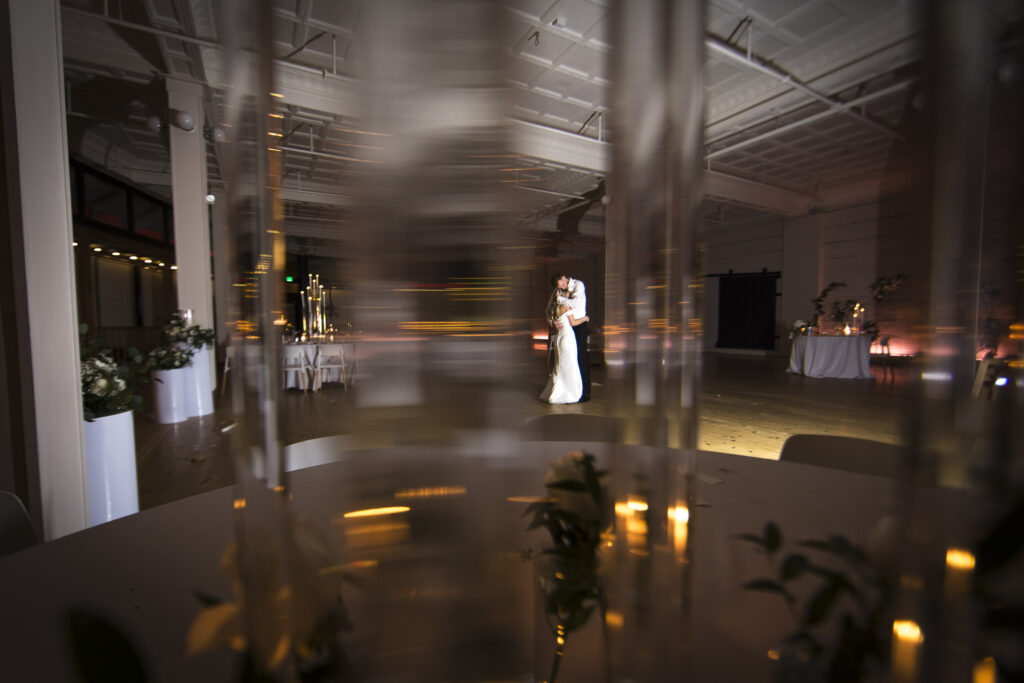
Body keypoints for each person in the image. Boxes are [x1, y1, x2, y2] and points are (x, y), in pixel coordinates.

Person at [540, 287, 587, 404]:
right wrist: (585, 318)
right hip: (567, 338)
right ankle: (568, 393)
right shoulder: (566, 306)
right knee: (570, 365)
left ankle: (555, 392)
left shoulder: (553, 309)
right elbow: (573, 322)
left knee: (559, 365)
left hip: (558, 338)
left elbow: (551, 323)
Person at [552, 273, 591, 402]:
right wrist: (552, 321)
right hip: (567, 326)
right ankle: (571, 390)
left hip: (578, 324)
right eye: (560, 286)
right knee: (569, 360)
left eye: (563, 283)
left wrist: (560, 300)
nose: (563, 286)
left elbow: (575, 304)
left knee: (581, 357)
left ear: (564, 277)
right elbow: (548, 310)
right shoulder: (558, 293)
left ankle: (584, 392)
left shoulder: (579, 285)